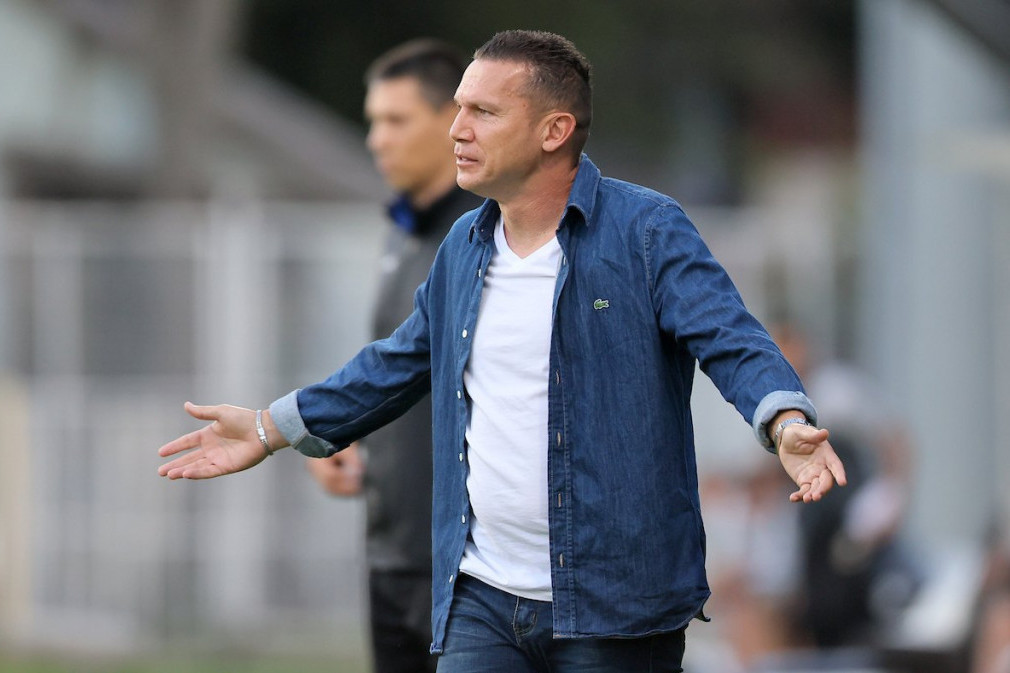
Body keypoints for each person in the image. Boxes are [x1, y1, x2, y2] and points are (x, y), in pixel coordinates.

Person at [158, 30, 847, 673]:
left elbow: (731, 338)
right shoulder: (463, 248)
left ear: (554, 131)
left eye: (483, 112)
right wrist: (268, 427)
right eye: (459, 108)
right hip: (480, 597)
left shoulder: (646, 231)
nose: (457, 129)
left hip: (614, 609)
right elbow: (394, 364)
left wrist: (784, 420)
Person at [303, 39, 483, 673]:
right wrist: (350, 440)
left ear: (453, 120)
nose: (377, 139)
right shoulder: (402, 232)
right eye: (373, 121)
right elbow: (400, 374)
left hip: (472, 571)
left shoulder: (491, 233)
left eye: (396, 120)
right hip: (392, 554)